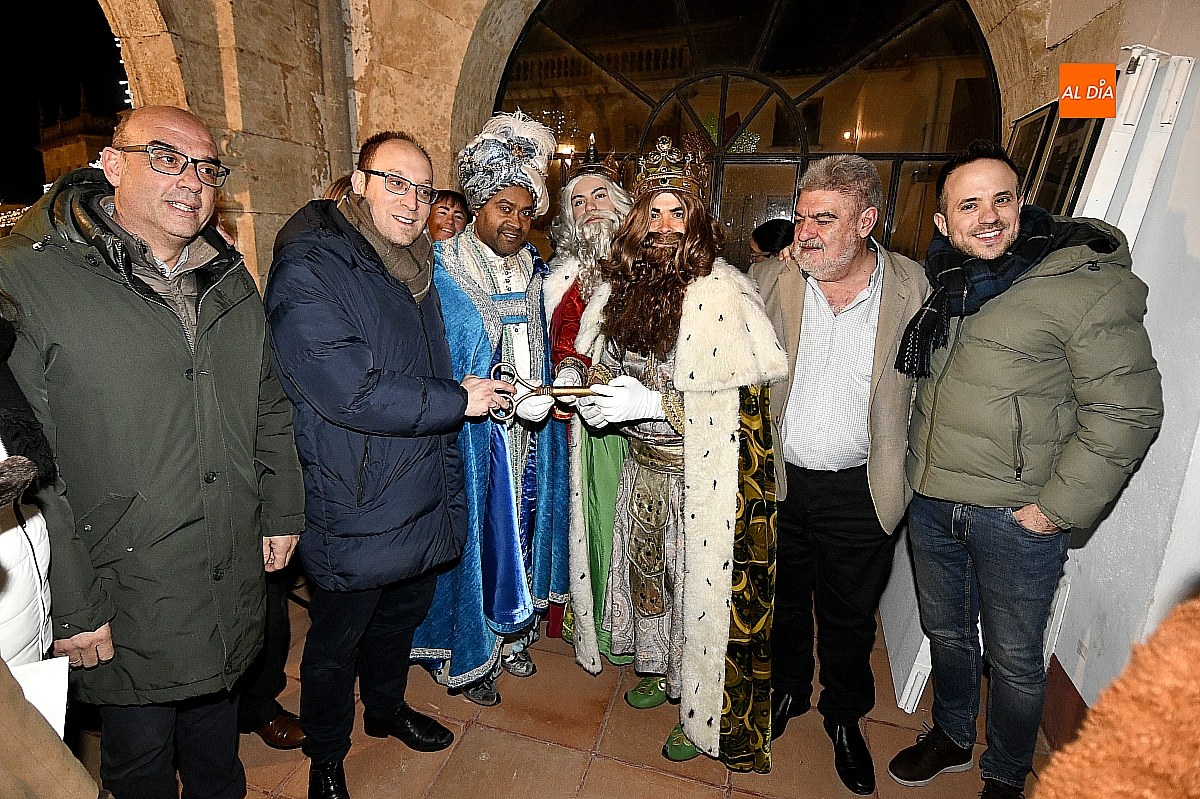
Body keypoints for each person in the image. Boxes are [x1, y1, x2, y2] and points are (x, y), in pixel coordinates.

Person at [1, 105, 306, 799]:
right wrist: (73, 602)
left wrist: (282, 507)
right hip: (122, 578)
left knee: (215, 742)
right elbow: (28, 465)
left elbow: (267, 402)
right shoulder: (30, 278)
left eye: (206, 168)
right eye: (167, 158)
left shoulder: (227, 274)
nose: (191, 180)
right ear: (112, 165)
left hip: (224, 557)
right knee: (140, 759)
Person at [887, 140, 1163, 799]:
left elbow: (1128, 409)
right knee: (947, 633)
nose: (988, 216)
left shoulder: (1080, 282)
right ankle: (952, 735)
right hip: (934, 499)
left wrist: (1055, 509)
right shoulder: (948, 283)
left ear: (1022, 204)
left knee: (1012, 659)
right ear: (944, 222)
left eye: (1001, 199)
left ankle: (1007, 774)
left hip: (1015, 517)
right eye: (969, 205)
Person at [265, 129, 513, 799]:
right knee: (336, 641)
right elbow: (347, 387)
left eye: (423, 189)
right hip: (356, 493)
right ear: (359, 183)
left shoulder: (411, 260)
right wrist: (458, 399)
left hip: (421, 479)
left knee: (400, 617)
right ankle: (325, 757)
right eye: (395, 183)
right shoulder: (312, 264)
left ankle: (385, 708)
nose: (412, 201)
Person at [572, 136, 787, 772]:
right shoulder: (621, 289)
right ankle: (662, 669)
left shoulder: (726, 293)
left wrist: (655, 405)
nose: (665, 227)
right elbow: (603, 362)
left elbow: (737, 410)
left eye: (678, 214)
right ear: (637, 221)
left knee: (701, 592)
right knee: (649, 579)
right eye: (654, 214)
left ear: (696, 223)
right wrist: (586, 392)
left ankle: (700, 709)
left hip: (701, 481)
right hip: (641, 470)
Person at [750, 155, 930, 795]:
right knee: (784, 599)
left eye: (824, 219)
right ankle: (789, 688)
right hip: (780, 480)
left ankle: (845, 715)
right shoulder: (773, 278)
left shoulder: (911, 288)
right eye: (801, 217)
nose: (806, 232)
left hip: (862, 488)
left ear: (866, 222)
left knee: (850, 616)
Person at [411, 111, 570, 707]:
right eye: (505, 207)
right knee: (474, 539)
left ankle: (511, 632)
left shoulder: (533, 268)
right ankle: (468, 651)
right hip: (468, 433)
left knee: (520, 531)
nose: (516, 221)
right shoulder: (440, 265)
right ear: (478, 205)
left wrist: (543, 387)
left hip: (525, 428)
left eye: (526, 211)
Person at [542, 135, 634, 664]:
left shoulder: (649, 265)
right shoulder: (561, 279)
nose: (590, 207)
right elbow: (559, 342)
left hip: (647, 424)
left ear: (620, 204)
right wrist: (569, 370)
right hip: (584, 424)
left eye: (600, 195)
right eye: (578, 201)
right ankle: (598, 622)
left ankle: (640, 634)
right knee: (594, 522)